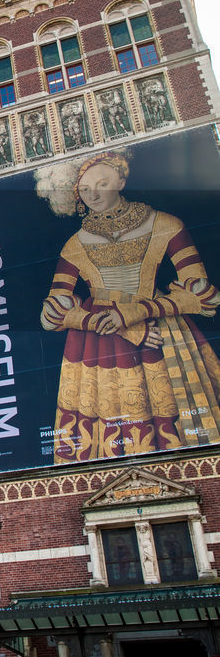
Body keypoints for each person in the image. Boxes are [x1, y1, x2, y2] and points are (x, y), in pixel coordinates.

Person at [39, 151, 220, 463]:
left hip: (162, 330)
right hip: (98, 343)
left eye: (103, 183)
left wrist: (137, 312)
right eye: (84, 189)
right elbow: (52, 313)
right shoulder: (76, 243)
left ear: (121, 180)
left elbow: (203, 295)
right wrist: (102, 323)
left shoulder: (165, 225)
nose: (94, 194)